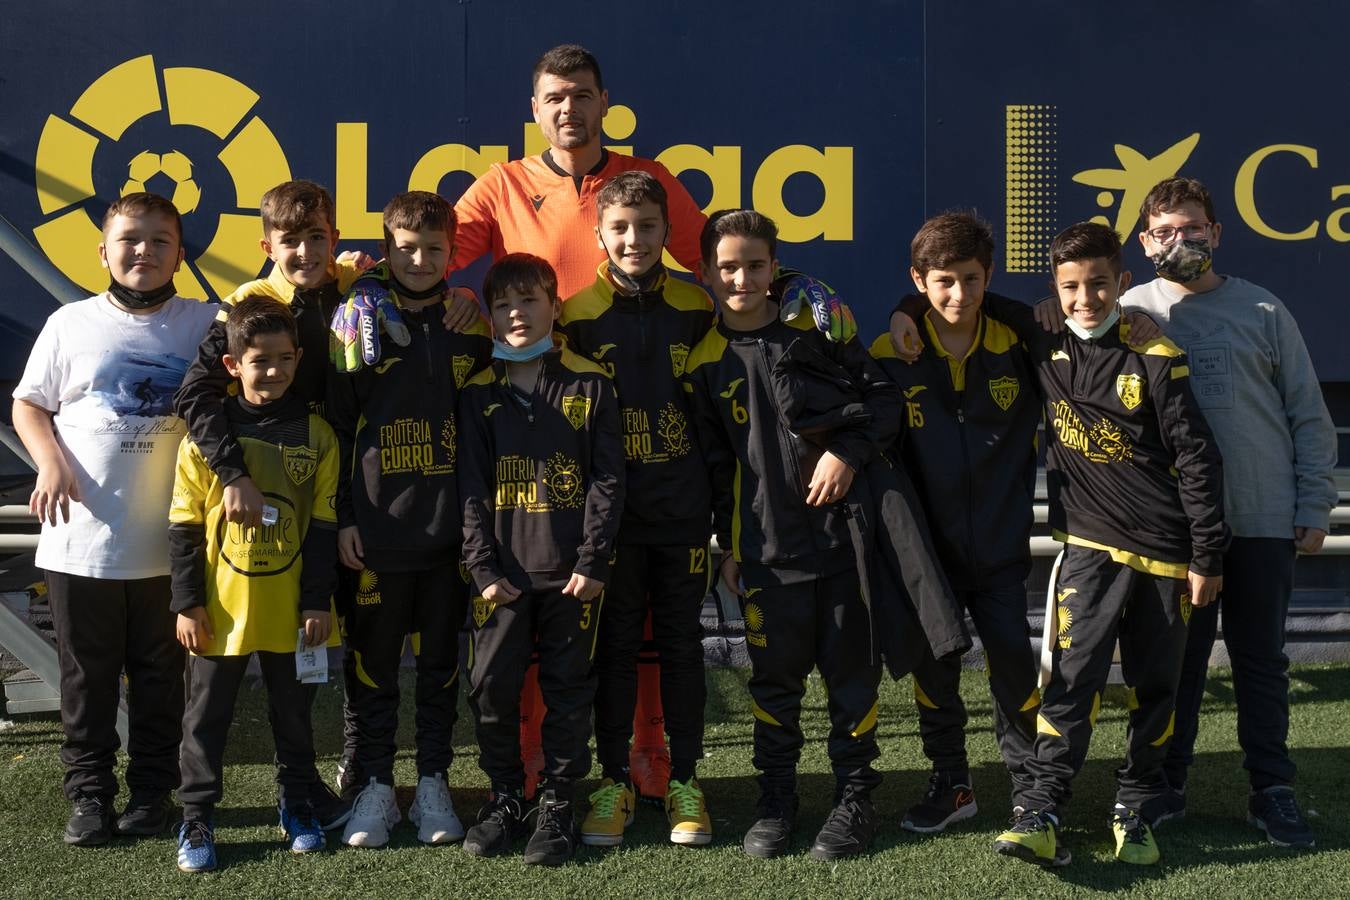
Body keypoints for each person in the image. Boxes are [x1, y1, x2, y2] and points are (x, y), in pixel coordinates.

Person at [991, 222, 1228, 868]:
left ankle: (1136, 806)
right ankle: (1041, 810)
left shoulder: (1157, 355)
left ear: (1123, 284)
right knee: (1069, 683)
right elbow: (968, 294)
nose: (1086, 298)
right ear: (1054, 291)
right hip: (1088, 551)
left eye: (1099, 283)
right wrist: (904, 308)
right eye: (1071, 287)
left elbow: (1198, 461)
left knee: (1158, 688)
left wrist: (1207, 556)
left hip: (1165, 555)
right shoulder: (1043, 336)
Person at [1122, 176, 1337, 849]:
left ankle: (1272, 790)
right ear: (1144, 240)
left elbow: (1308, 414)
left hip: (1263, 522)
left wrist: (1314, 501)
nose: (1180, 241)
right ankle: (1166, 785)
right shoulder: (1130, 312)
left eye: (1193, 229)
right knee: (1176, 665)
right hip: (1174, 532)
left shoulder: (1264, 311)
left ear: (1216, 234)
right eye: (1165, 231)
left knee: (1261, 663)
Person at [684, 210, 901, 861]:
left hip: (844, 548)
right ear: (707, 275)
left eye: (755, 265)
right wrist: (727, 548)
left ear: (775, 268)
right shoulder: (703, 362)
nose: (742, 277)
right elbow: (714, 468)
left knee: (851, 682)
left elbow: (884, 401)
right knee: (774, 688)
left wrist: (849, 454)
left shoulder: (818, 331)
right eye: (728, 267)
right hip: (766, 557)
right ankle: (776, 801)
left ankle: (854, 802)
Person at [12, 193, 217, 846]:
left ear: (179, 253)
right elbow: (29, 405)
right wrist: (46, 461)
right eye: (130, 239)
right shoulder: (69, 324)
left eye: (161, 240)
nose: (144, 251)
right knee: (87, 678)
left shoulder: (208, 324)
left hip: (173, 547)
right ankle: (90, 797)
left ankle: (151, 792)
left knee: (162, 678)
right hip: (82, 543)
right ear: (103, 250)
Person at [172, 179, 363, 829]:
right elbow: (197, 396)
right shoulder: (247, 306)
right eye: (291, 241)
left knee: (326, 646)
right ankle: (231, 802)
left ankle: (340, 776)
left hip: (337, 493)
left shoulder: (354, 291)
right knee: (274, 665)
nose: (305, 252)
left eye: (318, 238)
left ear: (335, 240)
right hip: (257, 502)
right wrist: (232, 476)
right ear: (266, 247)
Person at [326, 191, 493, 848]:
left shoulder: (469, 325)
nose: (419, 260)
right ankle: (372, 785)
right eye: (405, 248)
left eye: (433, 249)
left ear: (454, 253)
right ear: (387, 249)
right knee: (371, 666)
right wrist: (344, 516)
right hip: (377, 530)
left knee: (440, 669)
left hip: (451, 532)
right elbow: (339, 425)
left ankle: (432, 783)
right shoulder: (357, 320)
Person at [869, 212, 1041, 834]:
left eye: (971, 279)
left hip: (998, 545)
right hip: (928, 553)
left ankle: (1031, 788)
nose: (959, 295)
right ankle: (952, 783)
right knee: (933, 669)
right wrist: (902, 312)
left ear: (988, 276)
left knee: (1013, 666)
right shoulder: (891, 351)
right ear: (919, 280)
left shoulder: (1020, 341)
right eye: (943, 281)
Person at [557, 171, 715, 847]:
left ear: (667, 233)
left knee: (682, 648)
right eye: (619, 227)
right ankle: (615, 781)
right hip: (611, 521)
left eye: (647, 227)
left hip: (683, 514)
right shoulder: (574, 314)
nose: (634, 240)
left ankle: (685, 781)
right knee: (615, 651)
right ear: (598, 233)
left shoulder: (697, 306)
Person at [457, 253, 625, 866]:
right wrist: (481, 568)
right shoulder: (477, 392)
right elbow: (469, 487)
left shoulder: (591, 380)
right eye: (502, 305)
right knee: (492, 691)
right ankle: (505, 797)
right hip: (500, 578)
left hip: (572, 576)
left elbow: (608, 479)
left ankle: (556, 802)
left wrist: (594, 558)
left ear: (556, 307)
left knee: (568, 692)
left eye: (529, 301)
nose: (516, 314)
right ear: (491, 318)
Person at [169, 298, 340, 872]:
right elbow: (185, 529)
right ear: (232, 365)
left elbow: (321, 529)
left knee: (293, 716)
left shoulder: (317, 435)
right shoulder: (206, 441)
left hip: (293, 612)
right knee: (205, 717)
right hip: (219, 612)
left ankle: (296, 804)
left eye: (285, 359)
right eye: (259, 360)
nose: (274, 370)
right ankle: (197, 817)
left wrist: (317, 600)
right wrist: (188, 603)